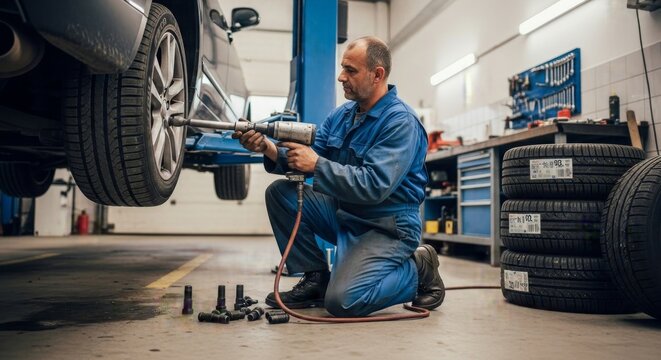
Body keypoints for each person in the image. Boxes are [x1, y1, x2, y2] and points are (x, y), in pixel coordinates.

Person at [233, 36, 445, 317]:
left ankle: (419, 266)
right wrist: (269, 149)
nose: (341, 77)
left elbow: (374, 185)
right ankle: (316, 279)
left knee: (343, 301)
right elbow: (307, 158)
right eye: (342, 68)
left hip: (387, 226)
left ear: (377, 74)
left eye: (351, 71)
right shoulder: (342, 115)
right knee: (280, 194)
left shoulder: (400, 122)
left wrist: (317, 165)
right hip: (345, 213)